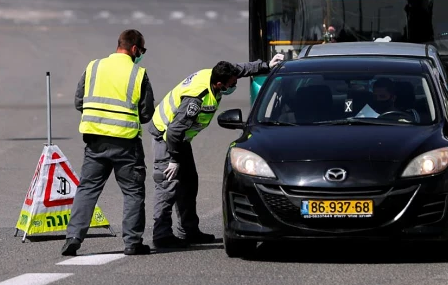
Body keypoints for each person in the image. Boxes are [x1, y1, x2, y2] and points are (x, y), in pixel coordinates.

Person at [148, 54, 284, 249]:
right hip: (167, 138)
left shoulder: (217, 74)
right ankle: (161, 235)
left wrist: (266, 65)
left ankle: (189, 230)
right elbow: (173, 132)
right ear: (219, 84)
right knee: (168, 185)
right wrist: (174, 160)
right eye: (231, 84)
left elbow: (240, 69)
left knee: (189, 183)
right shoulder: (196, 99)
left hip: (181, 139)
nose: (234, 85)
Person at [62, 29, 155, 257]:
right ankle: (132, 243)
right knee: (133, 192)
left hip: (95, 141)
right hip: (126, 143)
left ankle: (73, 237)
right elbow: (146, 113)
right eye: (142, 51)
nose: (141, 55)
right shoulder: (138, 74)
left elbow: (79, 101)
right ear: (134, 49)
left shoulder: (94, 67)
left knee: (87, 189)